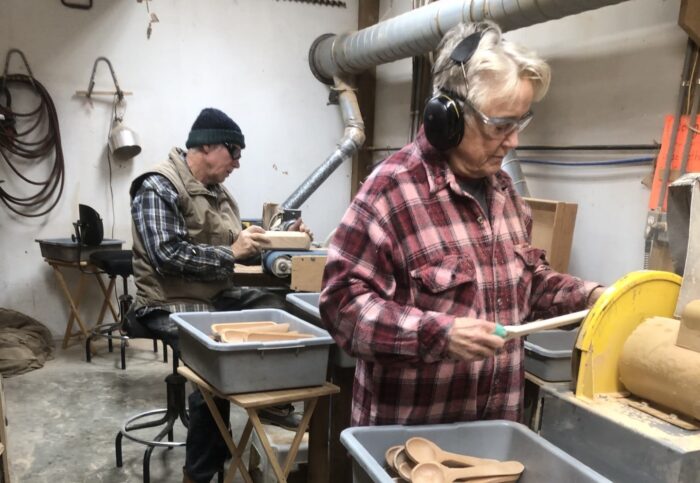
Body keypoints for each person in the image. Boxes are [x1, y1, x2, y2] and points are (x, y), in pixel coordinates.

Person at [319, 21, 605, 427]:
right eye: (500, 125)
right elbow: (342, 308)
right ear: (447, 119)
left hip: (493, 437)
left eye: (520, 123)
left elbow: (529, 284)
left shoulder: (505, 194)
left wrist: (592, 295)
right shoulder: (390, 192)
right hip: (410, 451)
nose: (513, 142)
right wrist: (439, 335)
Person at [129, 107, 312, 483]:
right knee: (214, 369)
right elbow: (167, 255)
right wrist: (232, 254)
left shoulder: (217, 191)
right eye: (234, 152)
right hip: (167, 301)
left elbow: (237, 238)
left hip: (213, 295)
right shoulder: (158, 186)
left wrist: (283, 235)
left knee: (285, 311)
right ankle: (199, 474)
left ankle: (276, 401)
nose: (238, 163)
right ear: (207, 145)